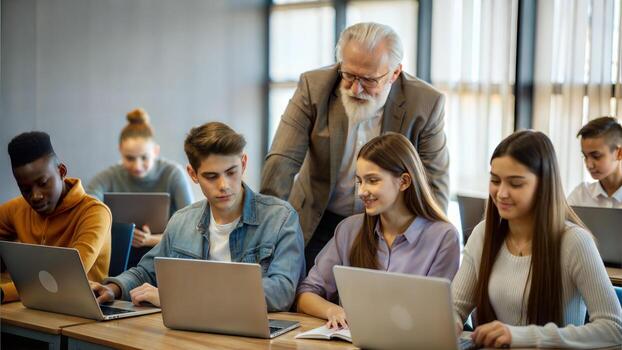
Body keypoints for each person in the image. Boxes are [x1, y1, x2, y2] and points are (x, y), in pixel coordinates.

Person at [261, 22, 449, 271]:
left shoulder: (425, 103)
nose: (355, 88)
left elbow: (433, 182)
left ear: (394, 74)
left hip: (385, 225)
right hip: (318, 216)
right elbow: (281, 161)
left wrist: (430, 243)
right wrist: (264, 233)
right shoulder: (314, 86)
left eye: (369, 80)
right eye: (348, 75)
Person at [90, 122, 305, 311]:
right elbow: (146, 272)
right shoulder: (181, 221)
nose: (224, 186)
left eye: (231, 172)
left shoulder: (281, 218)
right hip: (189, 334)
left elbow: (281, 292)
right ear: (193, 174)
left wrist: (178, 298)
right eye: (211, 176)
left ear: (244, 163)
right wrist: (113, 288)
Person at [452, 130, 622, 348]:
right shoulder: (483, 234)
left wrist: (522, 336)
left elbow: (614, 328)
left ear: (543, 185)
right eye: (495, 180)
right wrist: (450, 323)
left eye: (515, 183)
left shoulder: (574, 242)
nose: (501, 193)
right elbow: (455, 308)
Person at [296, 133, 459, 329]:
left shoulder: (443, 237)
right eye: (359, 181)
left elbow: (436, 315)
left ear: (404, 181)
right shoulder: (349, 230)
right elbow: (306, 293)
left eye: (372, 180)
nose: (361, 192)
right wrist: (333, 310)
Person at [0, 131, 111, 303]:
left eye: (43, 183)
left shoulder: (94, 212)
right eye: (25, 189)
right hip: (29, 307)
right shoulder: (18, 208)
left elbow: (66, 276)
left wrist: (3, 292)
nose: (35, 196)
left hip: (79, 312)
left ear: (61, 171)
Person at [87, 108, 193, 267]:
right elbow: (88, 206)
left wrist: (151, 240)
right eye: (129, 158)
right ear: (120, 152)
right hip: (118, 255)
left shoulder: (173, 174)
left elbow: (191, 229)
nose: (137, 166)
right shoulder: (109, 176)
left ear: (155, 152)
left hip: (165, 255)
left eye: (144, 158)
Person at [567, 116, 622, 208]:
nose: (589, 165)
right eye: (585, 156)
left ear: (619, 153)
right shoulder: (580, 196)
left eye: (596, 156)